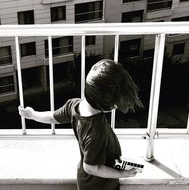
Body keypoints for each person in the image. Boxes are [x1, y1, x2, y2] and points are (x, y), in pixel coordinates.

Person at [18, 59, 142, 190]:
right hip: (99, 185)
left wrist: (33, 115)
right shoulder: (96, 132)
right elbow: (90, 167)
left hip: (87, 180)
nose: (116, 106)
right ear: (105, 104)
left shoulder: (74, 105)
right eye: (115, 104)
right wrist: (121, 174)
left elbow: (53, 117)